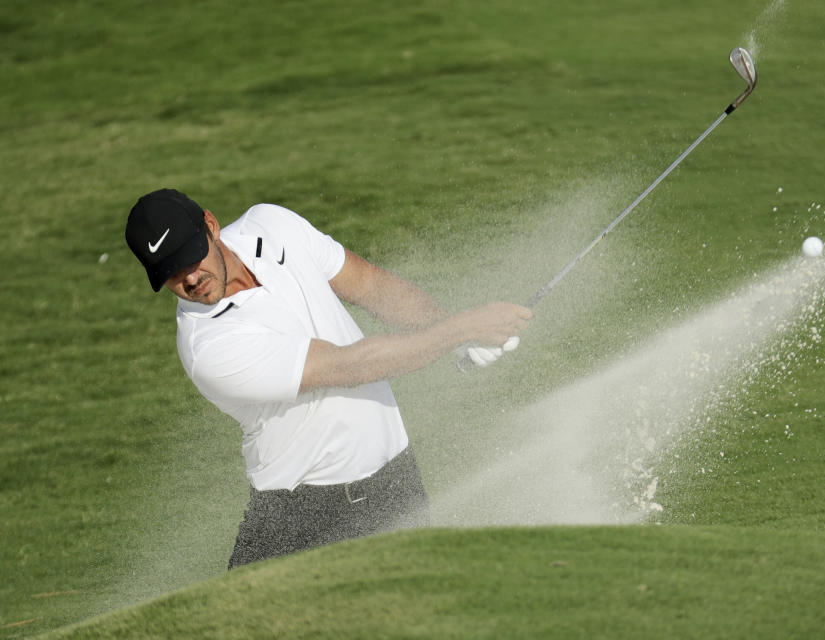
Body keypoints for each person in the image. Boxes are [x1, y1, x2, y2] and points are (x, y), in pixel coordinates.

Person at [125, 188, 532, 568]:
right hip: (303, 522)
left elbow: (371, 286)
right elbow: (349, 367)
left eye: (190, 256)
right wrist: (459, 329)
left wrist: (452, 330)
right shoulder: (208, 348)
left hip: (395, 486)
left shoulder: (271, 224)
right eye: (171, 273)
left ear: (210, 225)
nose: (189, 278)